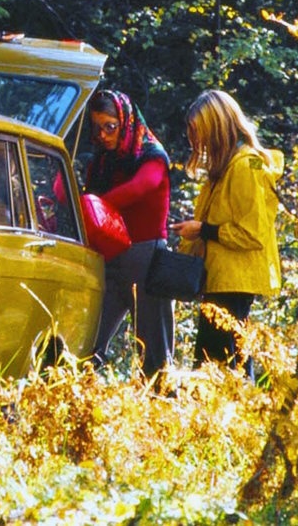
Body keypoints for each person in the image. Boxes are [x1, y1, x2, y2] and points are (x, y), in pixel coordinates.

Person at [171, 89, 282, 380]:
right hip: (221, 277)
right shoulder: (225, 167)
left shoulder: (246, 166)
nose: (195, 141)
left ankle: (228, 421)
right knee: (223, 362)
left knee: (219, 365)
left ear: (216, 128)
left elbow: (252, 233)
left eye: (198, 132)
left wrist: (204, 230)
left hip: (235, 282)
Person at [84, 90, 173, 379]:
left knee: (154, 351)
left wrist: (93, 205)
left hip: (146, 258)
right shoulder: (101, 160)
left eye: (110, 127)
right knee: (88, 338)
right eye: (97, 128)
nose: (104, 135)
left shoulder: (152, 154)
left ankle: (159, 410)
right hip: (109, 258)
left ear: (125, 122)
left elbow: (141, 188)